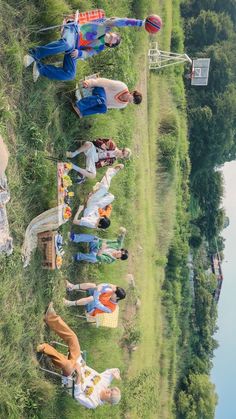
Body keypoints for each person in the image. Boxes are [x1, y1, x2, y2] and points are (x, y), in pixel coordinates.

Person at [37, 302, 121, 409]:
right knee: (74, 338)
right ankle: (50, 317)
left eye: (110, 394)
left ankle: (43, 348)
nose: (109, 390)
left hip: (70, 382)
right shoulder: (105, 382)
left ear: (108, 401)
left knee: (66, 364)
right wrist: (116, 373)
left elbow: (77, 394)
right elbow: (113, 371)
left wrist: (79, 376)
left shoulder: (93, 402)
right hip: (79, 363)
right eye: (111, 389)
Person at [23, 16, 145, 82]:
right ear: (114, 33)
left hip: (75, 48)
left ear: (111, 45)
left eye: (116, 42)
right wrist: (139, 23)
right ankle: (34, 55)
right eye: (117, 37)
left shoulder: (100, 46)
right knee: (66, 44)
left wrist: (80, 53)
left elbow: (88, 54)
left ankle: (40, 68)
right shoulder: (105, 25)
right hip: (74, 31)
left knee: (70, 74)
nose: (115, 39)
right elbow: (120, 21)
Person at [72, 164, 124, 229]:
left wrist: (79, 210)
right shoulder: (100, 221)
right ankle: (100, 188)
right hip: (97, 206)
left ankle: (111, 172)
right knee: (112, 197)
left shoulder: (90, 223)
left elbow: (75, 221)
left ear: (99, 224)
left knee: (105, 187)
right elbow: (104, 212)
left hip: (91, 204)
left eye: (100, 219)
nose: (100, 217)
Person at [66, 138, 131, 182]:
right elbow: (95, 140)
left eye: (123, 155)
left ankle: (72, 166)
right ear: (122, 149)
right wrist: (101, 144)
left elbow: (97, 166)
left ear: (122, 157)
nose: (121, 154)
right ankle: (72, 154)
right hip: (93, 150)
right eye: (122, 151)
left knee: (93, 175)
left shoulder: (112, 161)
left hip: (94, 159)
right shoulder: (111, 144)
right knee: (89, 144)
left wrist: (96, 166)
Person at [72, 77, 142, 117]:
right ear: (132, 93)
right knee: (102, 99)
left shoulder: (123, 105)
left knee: (104, 109)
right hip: (100, 90)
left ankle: (82, 113)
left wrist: (100, 108)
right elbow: (104, 81)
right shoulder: (122, 86)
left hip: (100, 100)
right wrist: (90, 82)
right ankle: (78, 105)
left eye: (131, 102)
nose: (129, 101)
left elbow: (107, 106)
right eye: (131, 99)